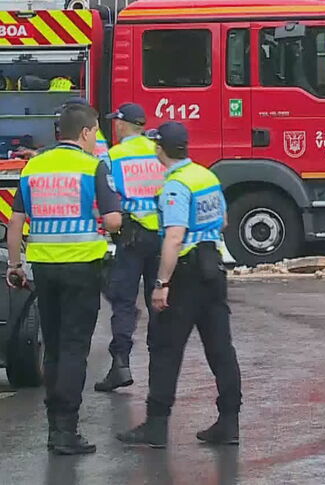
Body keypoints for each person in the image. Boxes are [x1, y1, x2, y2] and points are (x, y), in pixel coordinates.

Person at [5, 104, 122, 455]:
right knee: (74, 349)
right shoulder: (92, 167)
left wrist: (15, 265)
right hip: (82, 269)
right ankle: (66, 431)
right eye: (95, 133)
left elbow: (15, 225)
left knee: (53, 348)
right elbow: (114, 220)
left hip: (43, 270)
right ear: (86, 132)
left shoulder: (34, 166)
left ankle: (54, 425)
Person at [118, 121, 242, 448]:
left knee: (165, 349)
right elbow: (224, 221)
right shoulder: (207, 176)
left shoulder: (175, 185)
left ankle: (156, 426)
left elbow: (173, 237)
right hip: (213, 268)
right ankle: (229, 422)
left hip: (185, 274)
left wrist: (161, 283)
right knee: (221, 349)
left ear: (161, 149)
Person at [95, 103, 166, 392]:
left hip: (131, 235)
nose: (115, 126)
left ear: (124, 125)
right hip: (162, 236)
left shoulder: (114, 156)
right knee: (159, 301)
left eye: (117, 122)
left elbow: (109, 199)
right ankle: (160, 368)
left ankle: (120, 365)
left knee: (123, 302)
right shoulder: (160, 152)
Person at [14, 96, 110, 165]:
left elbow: (66, 151)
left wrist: (39, 155)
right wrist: (39, 152)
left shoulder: (90, 136)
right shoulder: (91, 131)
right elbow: (66, 146)